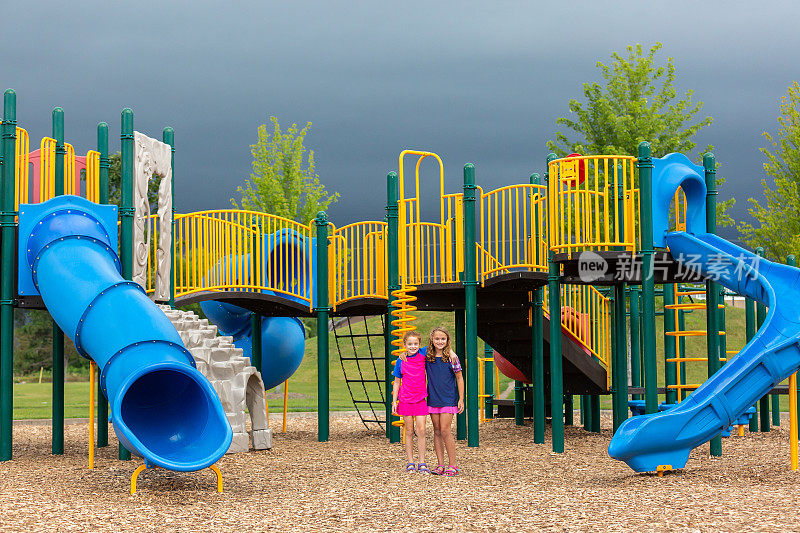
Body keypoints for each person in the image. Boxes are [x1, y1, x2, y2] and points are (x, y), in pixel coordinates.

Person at [423, 327, 464, 476]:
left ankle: (453, 465)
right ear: (432, 340)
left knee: (446, 430)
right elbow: (412, 350)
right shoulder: (427, 356)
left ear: (447, 341)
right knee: (437, 431)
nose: (440, 341)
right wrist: (402, 354)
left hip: (448, 399)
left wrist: (461, 398)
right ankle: (440, 464)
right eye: (437, 339)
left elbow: (459, 378)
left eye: (443, 339)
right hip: (433, 399)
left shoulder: (452, 358)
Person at [391, 330, 430, 474]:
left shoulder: (423, 355)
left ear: (419, 345)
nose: (412, 346)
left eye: (415, 344)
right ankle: (410, 462)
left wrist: (451, 353)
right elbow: (396, 382)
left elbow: (439, 344)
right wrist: (394, 401)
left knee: (421, 430)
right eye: (409, 344)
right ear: (405, 345)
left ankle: (422, 462)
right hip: (405, 400)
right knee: (408, 431)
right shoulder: (401, 360)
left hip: (420, 399)